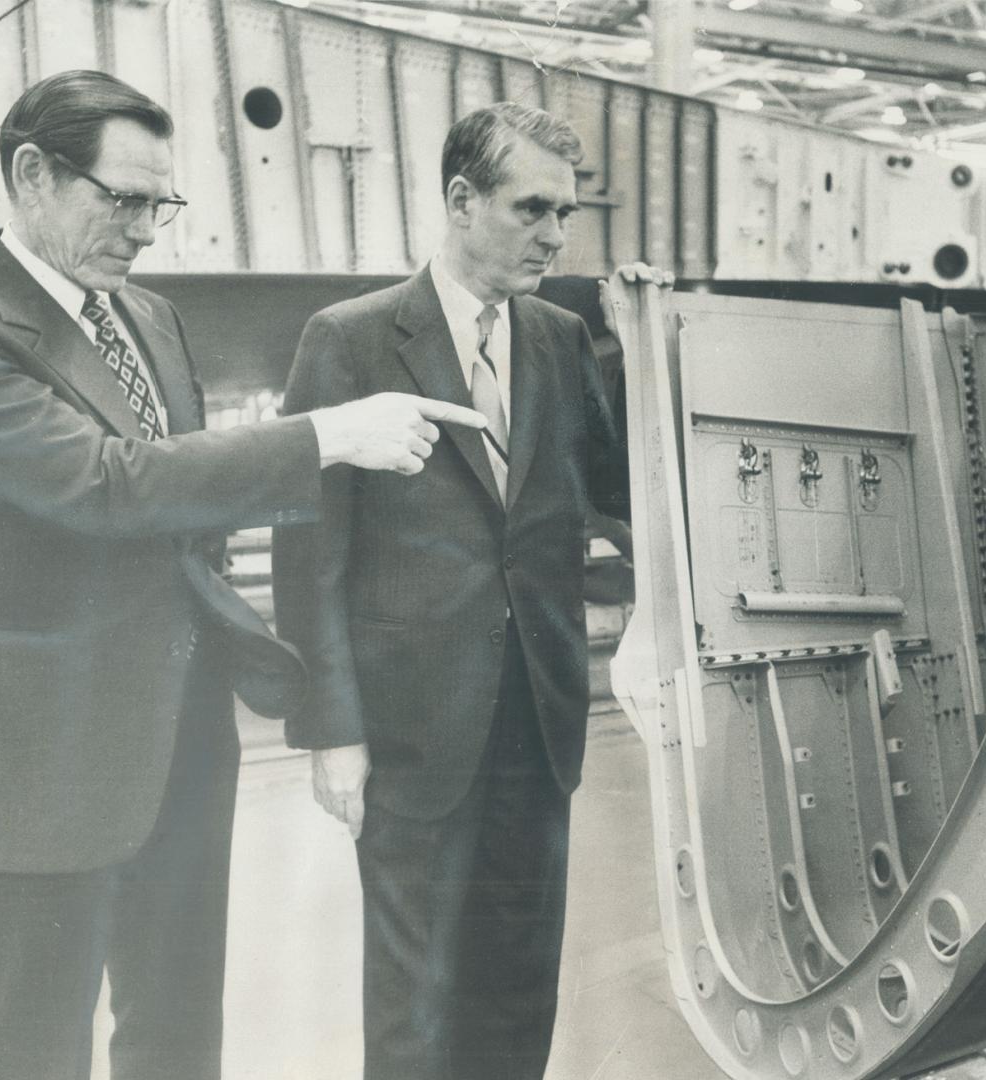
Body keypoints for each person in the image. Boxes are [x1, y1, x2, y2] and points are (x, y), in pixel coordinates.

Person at [0, 70, 483, 1080]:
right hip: (44, 756)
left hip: (186, 736)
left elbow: (187, 507)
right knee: (35, 1050)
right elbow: (104, 485)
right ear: (32, 173)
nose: (148, 228)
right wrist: (326, 434)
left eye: (164, 203)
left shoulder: (149, 318)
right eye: (124, 199)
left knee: (178, 1036)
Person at [272, 102, 670, 1080]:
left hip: (535, 716)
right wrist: (332, 729)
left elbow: (620, 500)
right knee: (412, 998)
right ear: (460, 199)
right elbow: (305, 549)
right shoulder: (352, 339)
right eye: (532, 207)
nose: (554, 234)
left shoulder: (562, 339)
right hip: (410, 726)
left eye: (565, 213)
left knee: (518, 979)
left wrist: (658, 353)